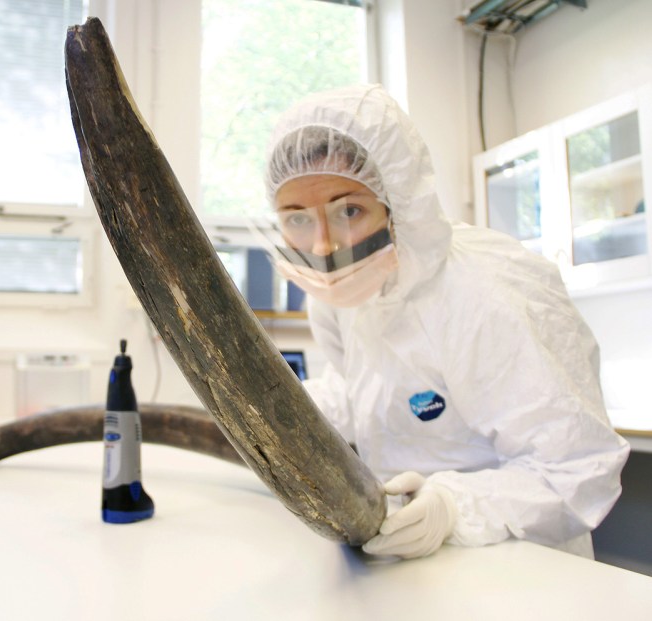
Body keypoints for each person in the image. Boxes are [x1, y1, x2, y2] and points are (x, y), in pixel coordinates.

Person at [262, 83, 630, 560]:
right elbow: (361, 389)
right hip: (409, 563)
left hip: (523, 567)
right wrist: (284, 413)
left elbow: (577, 467)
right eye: (297, 219)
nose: (323, 247)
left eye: (348, 210)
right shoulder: (341, 298)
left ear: (399, 201)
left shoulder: (488, 293)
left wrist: (455, 508)